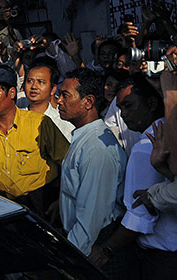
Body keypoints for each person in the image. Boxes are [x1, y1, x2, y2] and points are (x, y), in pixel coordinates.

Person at [90, 74, 174, 277]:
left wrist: (105, 250)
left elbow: (139, 216)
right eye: (120, 109)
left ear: (152, 103)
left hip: (162, 259)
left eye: (129, 106)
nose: (124, 114)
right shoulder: (169, 135)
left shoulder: (146, 147)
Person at [0, 65, 69, 213]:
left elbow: (68, 163)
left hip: (40, 208)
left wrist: (62, 200)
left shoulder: (40, 123)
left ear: (12, 92)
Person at [58, 68, 127, 257]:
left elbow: (91, 218)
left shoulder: (96, 147)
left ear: (88, 102)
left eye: (65, 96)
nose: (59, 101)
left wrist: (69, 259)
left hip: (91, 246)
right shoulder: (85, 138)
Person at [19, 61, 74, 141]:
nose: (34, 86)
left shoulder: (62, 124)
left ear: (53, 89)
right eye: (30, 81)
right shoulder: (15, 118)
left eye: (41, 82)